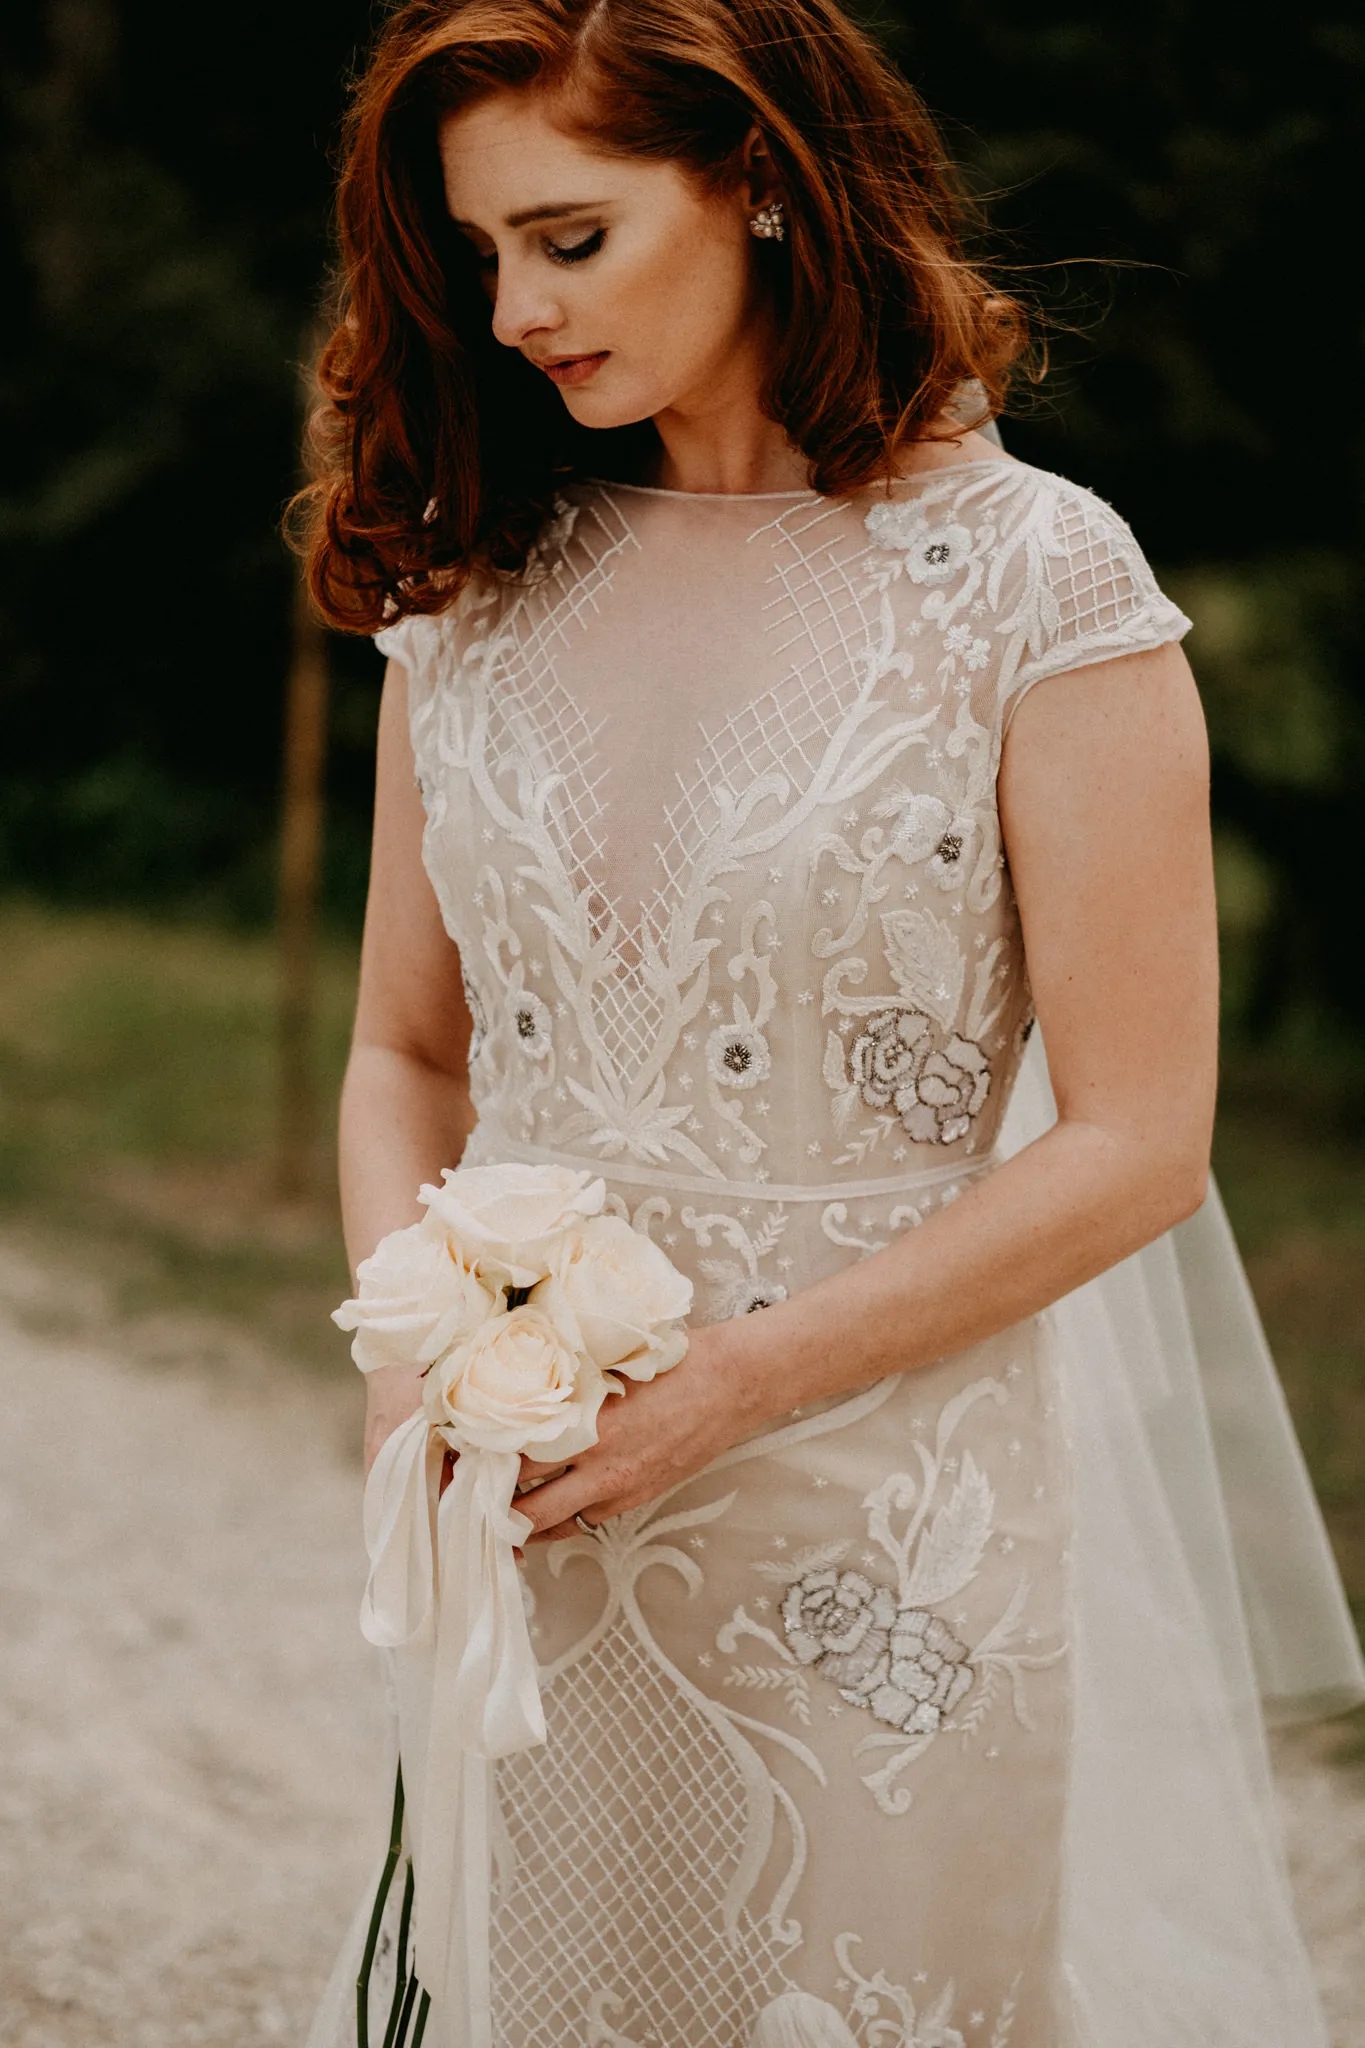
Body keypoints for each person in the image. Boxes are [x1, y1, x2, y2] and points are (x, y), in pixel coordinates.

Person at [298, 2, 1365, 2043]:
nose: (514, 308)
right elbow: (401, 1054)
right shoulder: (472, 584)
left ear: (760, 179)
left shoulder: (1034, 582)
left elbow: (1137, 1137)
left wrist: (728, 1387)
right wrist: (412, 1386)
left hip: (881, 1532)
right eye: (478, 253)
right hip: (532, 1518)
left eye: (570, 238)